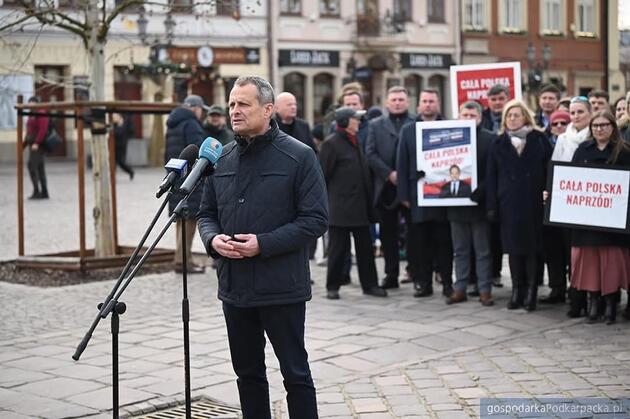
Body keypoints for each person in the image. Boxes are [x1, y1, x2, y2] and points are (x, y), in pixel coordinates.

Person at [197, 76, 327, 419]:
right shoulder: (220, 158)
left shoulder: (299, 156)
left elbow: (315, 220)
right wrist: (212, 239)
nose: (234, 111)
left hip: (281, 286)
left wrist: (263, 245)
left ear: (268, 109)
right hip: (235, 287)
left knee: (295, 374)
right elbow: (206, 213)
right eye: (231, 104)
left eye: (243, 104)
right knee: (248, 374)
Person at [486, 100, 550, 311]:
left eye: (516, 114)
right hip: (509, 203)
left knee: (532, 248)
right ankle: (517, 290)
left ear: (525, 117)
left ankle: (531, 292)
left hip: (533, 202)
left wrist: (548, 194)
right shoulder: (498, 144)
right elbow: (491, 177)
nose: (512, 118)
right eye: (509, 115)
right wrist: (492, 205)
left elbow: (549, 169)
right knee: (513, 249)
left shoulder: (539, 140)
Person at [319, 107, 387, 300]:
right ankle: (332, 286)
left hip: (360, 206)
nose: (359, 121)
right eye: (355, 119)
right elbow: (322, 175)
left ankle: (370, 285)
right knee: (337, 250)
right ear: (345, 122)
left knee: (365, 249)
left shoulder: (356, 140)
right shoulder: (331, 144)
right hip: (340, 208)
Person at [569, 111, 630, 325]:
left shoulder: (624, 152)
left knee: (611, 263)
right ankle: (594, 302)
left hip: (614, 222)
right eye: (595, 125)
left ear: (613, 127)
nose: (599, 129)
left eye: (604, 125)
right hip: (587, 221)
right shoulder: (582, 150)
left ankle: (611, 304)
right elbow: (570, 180)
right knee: (590, 264)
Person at [396, 89, 454, 299]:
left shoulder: (449, 127)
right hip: (417, 195)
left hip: (443, 196)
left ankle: (447, 282)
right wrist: (403, 195)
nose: (428, 105)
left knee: (444, 242)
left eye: (432, 101)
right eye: (424, 101)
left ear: (438, 104)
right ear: (418, 105)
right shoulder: (408, 130)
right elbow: (401, 163)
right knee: (420, 244)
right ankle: (423, 283)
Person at [446, 101, 497, 306]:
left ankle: (485, 290)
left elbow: (493, 171)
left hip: (479, 204)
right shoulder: (451, 138)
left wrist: (482, 190)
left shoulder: (490, 139)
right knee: (460, 250)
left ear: (479, 117)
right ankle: (460, 288)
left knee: (483, 250)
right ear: (459, 117)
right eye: (464, 115)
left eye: (472, 115)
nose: (468, 119)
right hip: (456, 205)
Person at [366, 86, 415, 289]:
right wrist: (389, 174)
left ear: (407, 102)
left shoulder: (416, 122)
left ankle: (415, 272)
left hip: (411, 187)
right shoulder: (375, 125)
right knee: (388, 234)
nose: (397, 102)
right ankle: (391, 274)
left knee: (414, 232)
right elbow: (370, 153)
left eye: (401, 99)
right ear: (387, 103)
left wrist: (404, 175)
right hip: (386, 187)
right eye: (393, 99)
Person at [548, 96, 593, 315]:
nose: (575, 117)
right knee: (571, 252)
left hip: (591, 205)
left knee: (589, 253)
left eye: (580, 112)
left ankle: (592, 297)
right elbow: (555, 167)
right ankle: (575, 297)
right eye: (572, 113)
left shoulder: (596, 136)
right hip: (568, 204)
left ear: (590, 114)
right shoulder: (563, 139)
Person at [165, 94, 208, 274]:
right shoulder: (191, 124)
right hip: (190, 181)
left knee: (181, 220)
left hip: (176, 176)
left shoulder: (173, 124)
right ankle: (184, 262)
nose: (201, 114)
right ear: (195, 108)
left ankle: (180, 259)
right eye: (201, 110)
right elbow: (198, 151)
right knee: (189, 221)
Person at [25, 96, 50, 199]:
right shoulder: (32, 114)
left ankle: (37, 191)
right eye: (29, 104)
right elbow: (29, 129)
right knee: (40, 168)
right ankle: (44, 192)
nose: (30, 106)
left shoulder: (41, 113)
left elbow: (43, 130)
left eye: (32, 104)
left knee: (31, 166)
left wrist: (37, 142)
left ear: (37, 104)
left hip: (38, 146)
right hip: (32, 144)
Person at [111, 112, 135, 180]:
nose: (113, 118)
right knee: (113, 162)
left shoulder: (123, 123)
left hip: (121, 146)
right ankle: (112, 176)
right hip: (114, 146)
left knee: (121, 162)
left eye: (115, 117)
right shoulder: (115, 124)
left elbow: (119, 133)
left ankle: (130, 171)